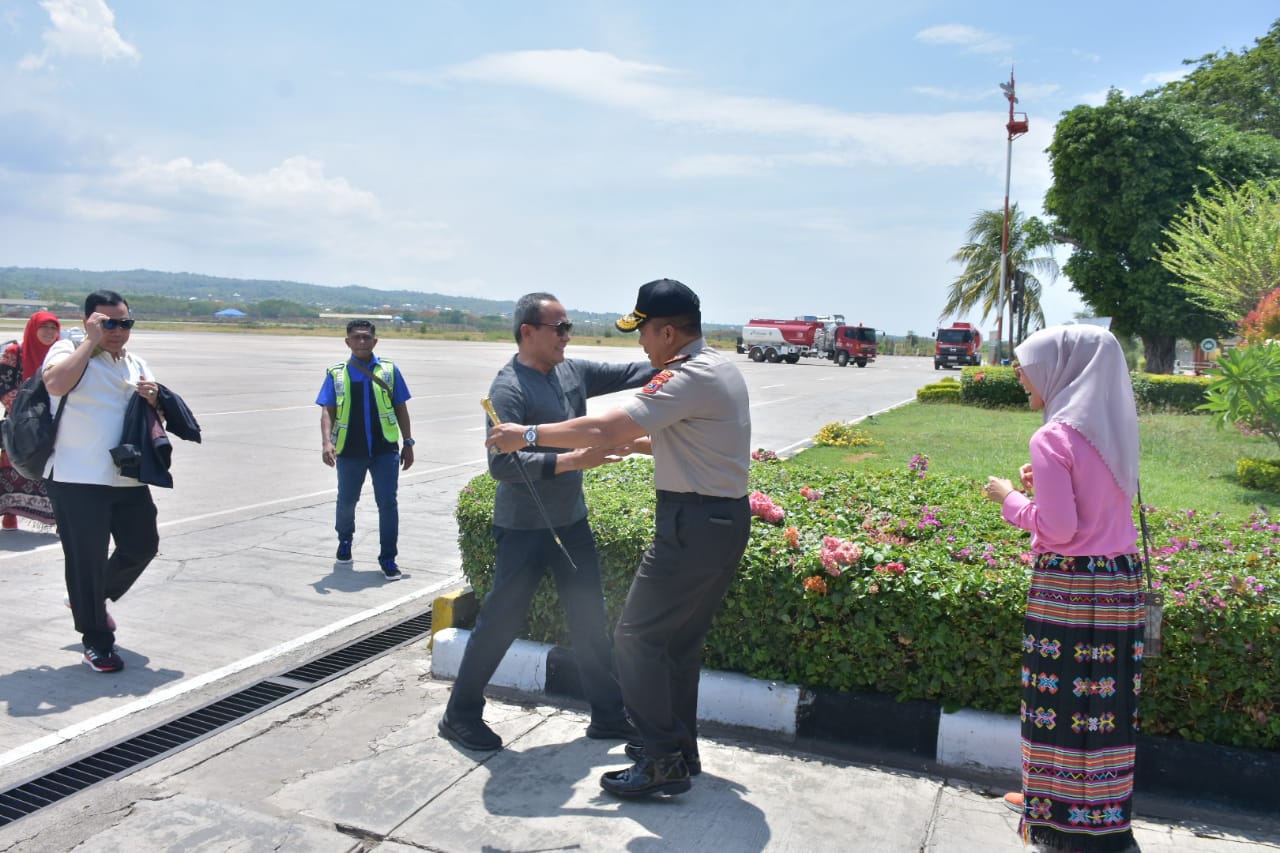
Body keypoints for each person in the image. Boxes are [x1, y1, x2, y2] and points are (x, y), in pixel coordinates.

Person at [486, 279, 752, 799]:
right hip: (720, 523)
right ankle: (679, 748)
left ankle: (660, 761)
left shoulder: (683, 376)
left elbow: (604, 428)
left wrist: (528, 435)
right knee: (677, 644)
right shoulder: (719, 366)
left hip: (691, 525)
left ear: (669, 331)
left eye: (645, 333)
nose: (641, 346)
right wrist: (640, 448)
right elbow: (684, 438)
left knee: (634, 639)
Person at [439, 293, 654, 752]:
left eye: (568, 327)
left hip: (570, 523)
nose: (567, 336)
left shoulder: (570, 371)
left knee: (590, 617)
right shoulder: (508, 389)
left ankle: (608, 715)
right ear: (528, 332)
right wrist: (572, 460)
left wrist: (680, 358)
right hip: (523, 530)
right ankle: (459, 714)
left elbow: (635, 373)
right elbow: (501, 466)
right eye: (559, 328)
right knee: (500, 622)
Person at [982, 325, 1143, 853]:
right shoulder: (1113, 429)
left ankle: (1050, 808)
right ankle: (1102, 813)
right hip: (1118, 585)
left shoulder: (1051, 437)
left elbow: (1058, 530)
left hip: (1068, 588)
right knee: (1106, 700)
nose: (1022, 377)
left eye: (1025, 367)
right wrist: (1044, 485)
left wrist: (1008, 498)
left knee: (1056, 693)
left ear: (1059, 369)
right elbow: (1094, 506)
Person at [42, 291, 162, 673]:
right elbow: (56, 385)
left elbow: (151, 413)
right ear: (89, 322)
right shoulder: (67, 349)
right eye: (107, 322)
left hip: (126, 477)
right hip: (76, 477)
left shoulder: (135, 362)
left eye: (124, 322)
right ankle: (96, 641)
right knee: (86, 561)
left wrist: (154, 396)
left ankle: (90, 599)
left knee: (143, 545)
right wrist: (89, 342)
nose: (117, 330)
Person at [316, 319, 414, 580]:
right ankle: (345, 540)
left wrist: (408, 442)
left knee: (388, 504)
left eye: (366, 337)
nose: (361, 341)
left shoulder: (389, 371)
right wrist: (327, 442)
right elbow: (327, 410)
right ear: (347, 342)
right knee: (347, 501)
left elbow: (401, 408)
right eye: (356, 337)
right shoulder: (336, 373)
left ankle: (388, 558)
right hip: (349, 450)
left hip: (385, 450)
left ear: (375, 341)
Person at [0, 311, 61, 529]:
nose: (49, 332)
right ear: (33, 328)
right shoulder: (15, 352)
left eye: (53, 328)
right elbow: (4, 385)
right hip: (20, 422)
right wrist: (26, 411)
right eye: (44, 327)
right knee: (14, 464)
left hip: (55, 421)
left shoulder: (62, 354)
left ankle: (59, 517)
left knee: (55, 468)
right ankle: (11, 513)